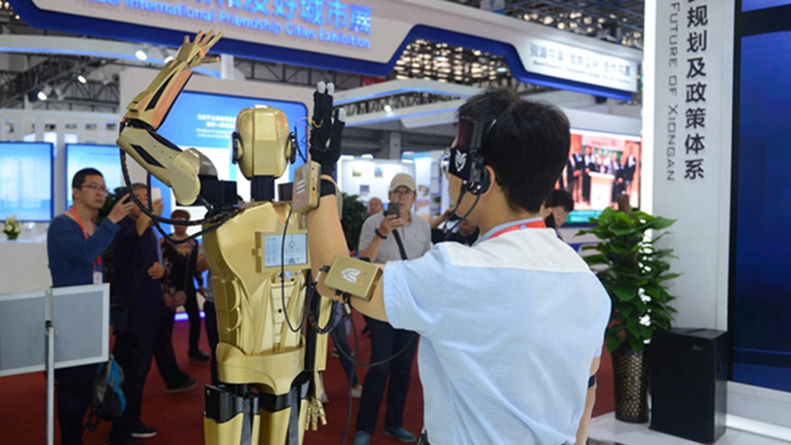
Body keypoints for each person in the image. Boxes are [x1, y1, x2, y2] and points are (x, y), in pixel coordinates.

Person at [307, 88, 610, 445]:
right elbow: (587, 392)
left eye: (452, 159)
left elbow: (332, 274)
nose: (449, 171)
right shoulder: (588, 283)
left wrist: (322, 172)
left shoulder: (457, 273)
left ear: (482, 179)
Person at [47, 168, 134, 445]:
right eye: (93, 187)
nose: (100, 193)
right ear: (76, 191)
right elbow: (85, 254)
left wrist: (106, 318)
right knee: (72, 391)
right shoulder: (62, 225)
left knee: (86, 387)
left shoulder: (94, 229)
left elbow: (100, 278)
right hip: (70, 321)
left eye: (103, 188)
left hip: (91, 320)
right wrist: (113, 220)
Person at [351, 172, 432, 445]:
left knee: (403, 368)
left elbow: (426, 264)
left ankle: (393, 423)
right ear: (389, 196)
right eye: (397, 191)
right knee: (379, 366)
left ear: (414, 197)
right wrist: (382, 233)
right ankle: (364, 427)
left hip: (411, 305)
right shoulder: (373, 222)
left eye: (406, 192)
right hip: (380, 304)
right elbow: (364, 261)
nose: (401, 196)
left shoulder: (422, 226)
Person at [107, 183, 166, 445]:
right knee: (130, 372)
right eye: (138, 198)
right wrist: (146, 217)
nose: (144, 202)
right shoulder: (123, 229)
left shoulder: (149, 230)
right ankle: (120, 432)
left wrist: (163, 271)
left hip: (151, 310)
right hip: (135, 313)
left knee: (139, 371)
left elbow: (155, 264)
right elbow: (129, 246)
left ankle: (131, 422)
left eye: (147, 198)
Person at [161, 209, 209, 362]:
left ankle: (194, 350)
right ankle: (167, 355)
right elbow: (162, 264)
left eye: (182, 221)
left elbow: (196, 267)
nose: (179, 225)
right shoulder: (165, 242)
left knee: (195, 320)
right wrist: (164, 286)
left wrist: (200, 284)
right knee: (168, 323)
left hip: (188, 286)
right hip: (170, 287)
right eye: (176, 221)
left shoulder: (193, 243)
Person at [196, 244, 220, 386]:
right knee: (217, 350)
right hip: (215, 302)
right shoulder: (209, 238)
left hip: (245, 302)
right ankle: (219, 389)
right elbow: (200, 266)